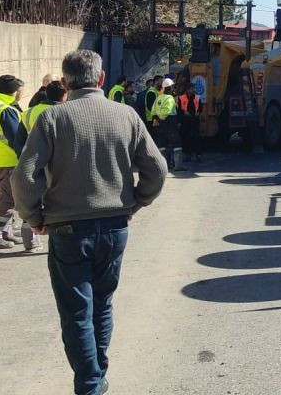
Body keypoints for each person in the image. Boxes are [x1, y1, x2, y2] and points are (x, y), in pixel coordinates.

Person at [12, 50, 167, 395]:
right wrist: (137, 202)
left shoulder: (52, 119)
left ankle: (90, 383)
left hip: (68, 230)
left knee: (76, 311)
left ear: (65, 84)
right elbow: (157, 170)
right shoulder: (126, 115)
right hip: (115, 225)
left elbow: (24, 177)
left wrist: (34, 216)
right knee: (102, 304)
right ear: (101, 79)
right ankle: (97, 371)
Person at [0, 75, 35, 251]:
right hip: (10, 161)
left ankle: (6, 233)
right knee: (9, 200)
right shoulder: (7, 110)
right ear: (16, 92)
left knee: (4, 198)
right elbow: (16, 139)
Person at [150, 77, 183, 171]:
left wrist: (156, 119)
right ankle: (178, 166)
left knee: (161, 145)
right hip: (169, 122)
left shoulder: (159, 97)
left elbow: (153, 110)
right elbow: (167, 111)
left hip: (159, 124)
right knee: (176, 144)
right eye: (173, 86)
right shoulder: (170, 98)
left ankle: (162, 166)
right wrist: (161, 119)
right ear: (171, 87)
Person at [177, 82, 202, 162]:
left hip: (194, 120)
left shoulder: (197, 97)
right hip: (185, 121)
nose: (194, 90)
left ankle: (198, 155)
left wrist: (199, 112)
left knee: (196, 138)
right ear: (187, 90)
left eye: (194, 88)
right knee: (185, 138)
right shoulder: (181, 98)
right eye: (192, 88)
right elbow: (179, 110)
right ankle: (187, 155)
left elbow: (200, 107)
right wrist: (182, 116)